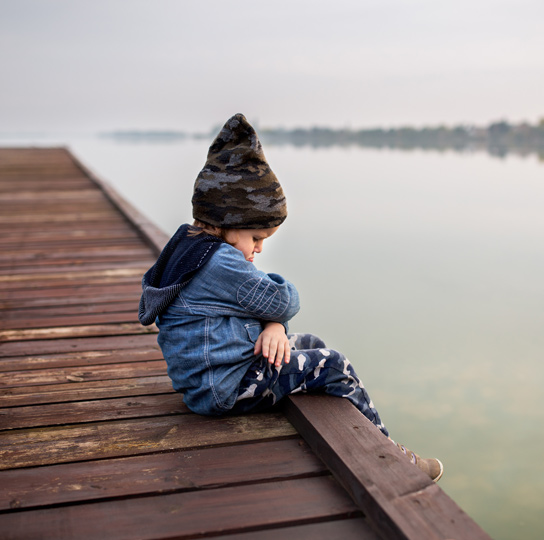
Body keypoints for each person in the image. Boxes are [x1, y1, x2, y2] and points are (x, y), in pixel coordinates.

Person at [139, 113, 442, 481]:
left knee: (309, 343)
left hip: (208, 378)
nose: (259, 249)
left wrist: (273, 325)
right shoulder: (222, 263)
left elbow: (263, 305)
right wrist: (275, 317)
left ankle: (367, 441)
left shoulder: (188, 245)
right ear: (227, 220)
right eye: (256, 237)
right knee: (333, 364)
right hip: (226, 388)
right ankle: (394, 460)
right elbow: (285, 299)